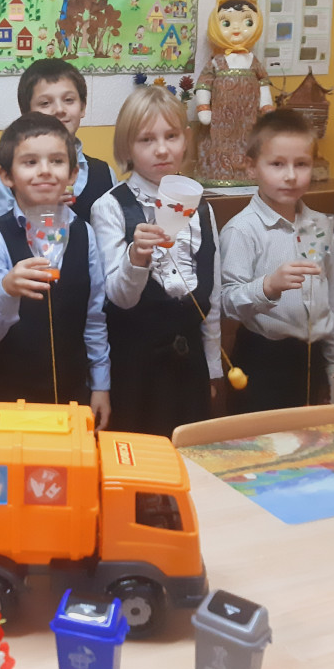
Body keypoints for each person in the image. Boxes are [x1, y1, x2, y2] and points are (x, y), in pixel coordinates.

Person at [90, 86, 222, 437]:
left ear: (186, 139)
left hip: (191, 365)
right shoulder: (110, 207)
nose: (162, 149)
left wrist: (212, 370)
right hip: (135, 368)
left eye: (171, 136)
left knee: (190, 454)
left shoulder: (203, 208)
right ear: (127, 148)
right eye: (146, 139)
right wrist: (136, 258)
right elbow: (119, 298)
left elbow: (213, 300)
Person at [0, 112, 110, 428]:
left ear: (73, 173)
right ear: (7, 176)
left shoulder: (85, 234)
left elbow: (94, 316)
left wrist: (101, 384)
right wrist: (6, 289)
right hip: (9, 401)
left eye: (57, 161)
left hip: (74, 394)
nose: (45, 170)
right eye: (30, 162)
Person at [220, 109, 334, 411]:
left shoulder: (320, 225)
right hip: (264, 360)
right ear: (252, 167)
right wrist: (268, 287)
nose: (290, 175)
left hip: (314, 358)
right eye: (277, 164)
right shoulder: (242, 230)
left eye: (301, 164)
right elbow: (226, 302)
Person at [0, 59, 117, 222]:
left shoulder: (104, 174)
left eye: (69, 100)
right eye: (45, 103)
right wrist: (37, 208)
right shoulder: (11, 175)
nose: (59, 110)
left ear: (82, 107)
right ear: (26, 113)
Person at [190, 0, 275, 184]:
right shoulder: (217, 61)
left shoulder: (253, 62)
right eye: (227, 23)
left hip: (249, 120)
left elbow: (263, 84)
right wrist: (204, 107)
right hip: (220, 123)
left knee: (250, 144)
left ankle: (247, 175)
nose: (236, 28)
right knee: (218, 145)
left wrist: (267, 107)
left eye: (247, 22)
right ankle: (218, 174)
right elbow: (204, 85)